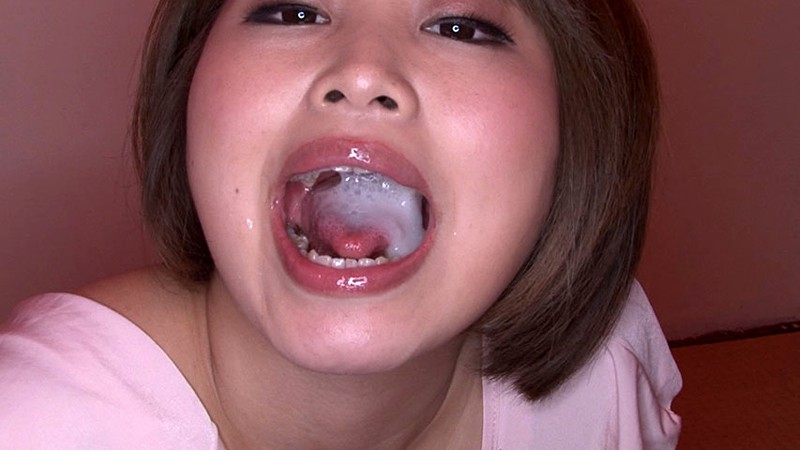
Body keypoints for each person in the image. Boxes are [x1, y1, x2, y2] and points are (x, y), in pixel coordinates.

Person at [0, 0, 681, 448]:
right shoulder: (32, 424)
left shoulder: (609, 376)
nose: (361, 73)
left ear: (578, 125)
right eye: (293, 9)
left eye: (460, 26)